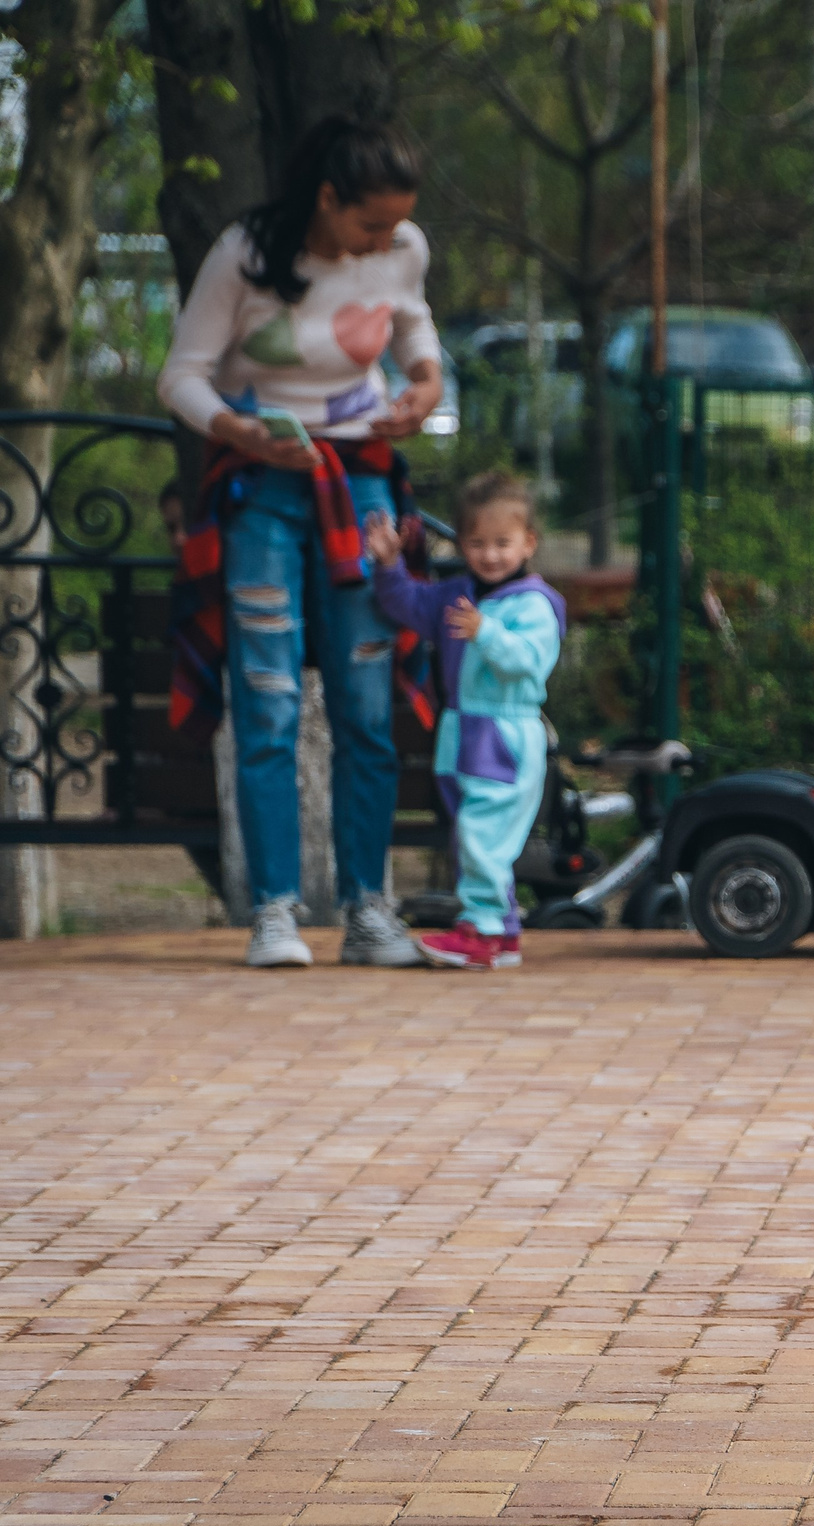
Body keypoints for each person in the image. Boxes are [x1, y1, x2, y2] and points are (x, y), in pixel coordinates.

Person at [158, 115, 443, 969]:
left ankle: (368, 911)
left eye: (396, 227)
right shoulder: (245, 252)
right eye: (369, 225)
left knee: (364, 705)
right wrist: (241, 435)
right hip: (264, 486)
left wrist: (424, 383)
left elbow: (414, 324)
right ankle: (274, 910)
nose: (383, 243)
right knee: (269, 699)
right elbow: (180, 375)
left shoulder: (401, 248)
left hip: (361, 478)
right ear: (326, 198)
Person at [363, 471, 564, 971]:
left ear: (528, 543)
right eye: (477, 543)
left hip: (505, 732)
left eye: (502, 543)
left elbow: (528, 661)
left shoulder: (534, 603)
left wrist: (486, 633)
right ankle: (503, 933)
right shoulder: (456, 595)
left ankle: (483, 930)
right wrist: (388, 564)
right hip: (461, 730)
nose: (490, 554)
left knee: (482, 833)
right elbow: (406, 603)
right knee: (473, 833)